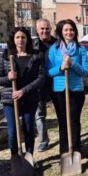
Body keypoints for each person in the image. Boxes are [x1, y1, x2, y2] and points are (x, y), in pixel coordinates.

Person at [0, 27, 44, 163]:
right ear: (13, 39)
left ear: (27, 39)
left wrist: (23, 91)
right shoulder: (6, 56)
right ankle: (15, 159)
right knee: (12, 132)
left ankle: (29, 158)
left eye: (23, 37)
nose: (20, 40)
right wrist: (8, 78)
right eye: (17, 37)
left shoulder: (35, 55)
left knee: (28, 129)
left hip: (29, 97)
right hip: (10, 99)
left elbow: (40, 78)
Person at [47, 19, 88, 155]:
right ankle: (64, 151)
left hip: (76, 90)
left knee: (74, 121)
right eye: (66, 30)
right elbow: (49, 71)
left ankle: (76, 149)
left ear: (75, 32)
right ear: (61, 32)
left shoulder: (80, 49)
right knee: (63, 122)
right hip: (59, 91)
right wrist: (61, 67)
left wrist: (72, 64)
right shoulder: (54, 49)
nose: (69, 32)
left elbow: (86, 72)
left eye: (71, 29)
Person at [33, 19, 57, 152]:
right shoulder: (32, 45)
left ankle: (66, 138)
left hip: (55, 82)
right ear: (37, 30)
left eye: (47, 28)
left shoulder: (57, 43)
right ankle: (43, 141)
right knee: (40, 114)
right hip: (39, 85)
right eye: (42, 29)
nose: (45, 31)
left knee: (62, 111)